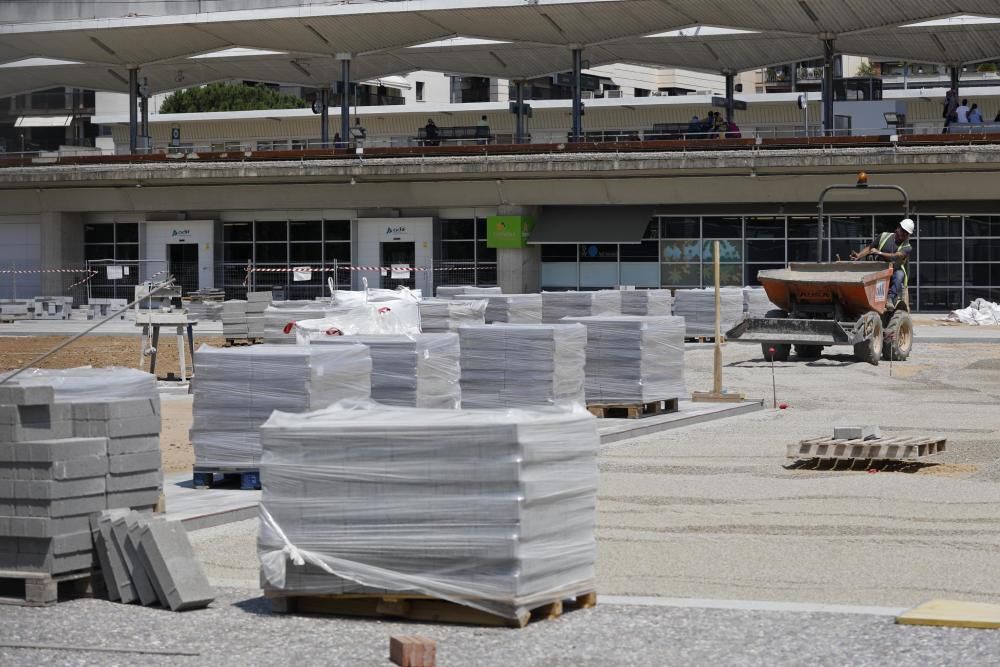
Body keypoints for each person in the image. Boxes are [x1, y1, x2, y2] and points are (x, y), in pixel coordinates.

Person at [850, 218, 914, 308]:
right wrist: (859, 255)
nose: (904, 234)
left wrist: (879, 252)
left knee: (900, 274)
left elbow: (896, 256)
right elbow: (870, 248)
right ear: (898, 228)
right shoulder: (884, 236)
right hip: (879, 269)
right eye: (903, 230)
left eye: (907, 233)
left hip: (893, 271)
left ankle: (890, 298)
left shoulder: (907, 247)